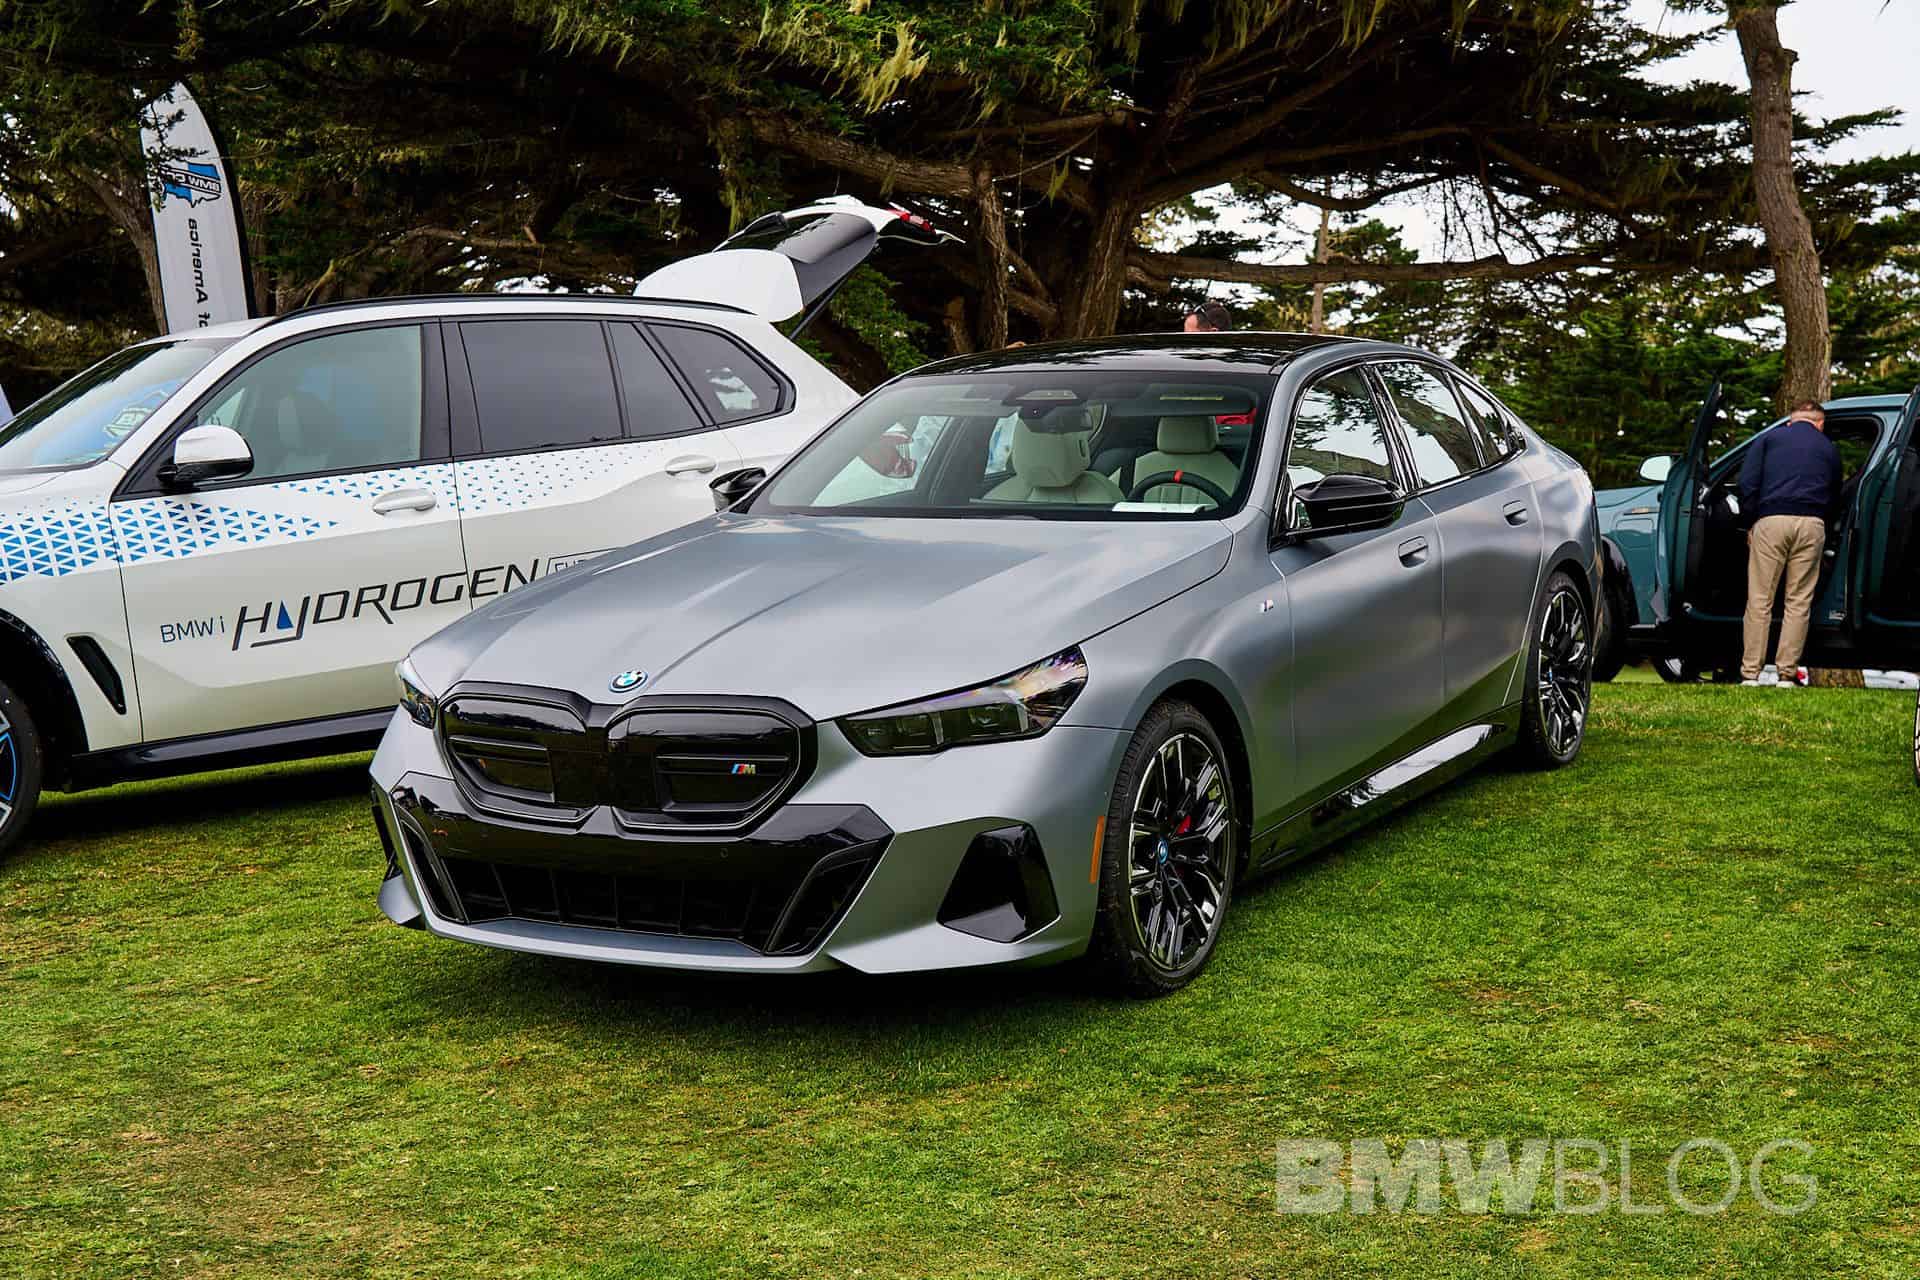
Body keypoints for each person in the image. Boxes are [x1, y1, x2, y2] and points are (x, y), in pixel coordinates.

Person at [1737, 399, 1842, 686]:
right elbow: (1836, 493)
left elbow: (1747, 483)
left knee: (1760, 600)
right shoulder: (1829, 448)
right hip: (1812, 524)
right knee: (1798, 602)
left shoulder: (1769, 439)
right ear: (1820, 423)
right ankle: (1786, 674)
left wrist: (1751, 520)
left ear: (1790, 421)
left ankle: (1750, 674)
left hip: (1771, 520)